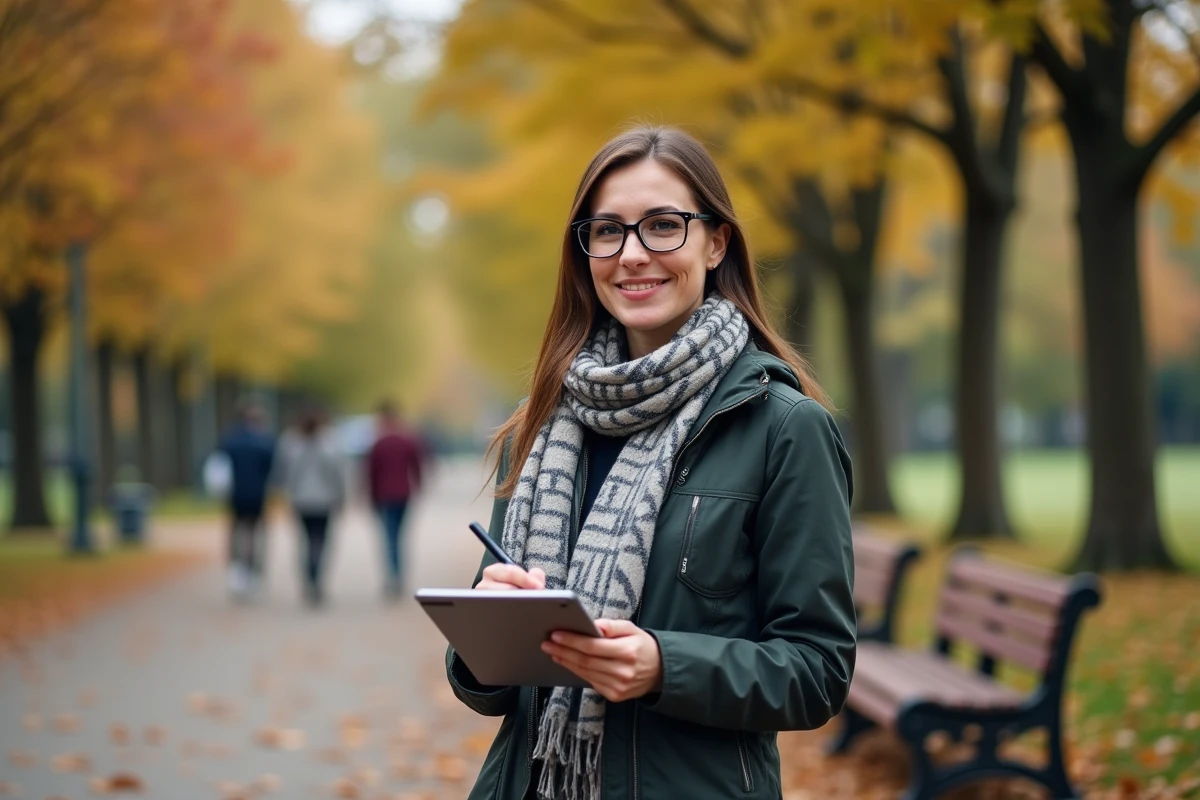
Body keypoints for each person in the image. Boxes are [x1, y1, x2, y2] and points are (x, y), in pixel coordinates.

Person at [445, 127, 856, 800]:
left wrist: (666, 666)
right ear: (585, 252)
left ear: (715, 242)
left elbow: (817, 670)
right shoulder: (541, 427)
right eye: (607, 231)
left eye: (663, 225)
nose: (633, 254)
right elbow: (487, 692)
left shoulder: (784, 429)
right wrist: (483, 637)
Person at [275, 408, 345, 607]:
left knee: (305, 541)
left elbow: (284, 472)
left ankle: (310, 578)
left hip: (301, 500)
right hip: (324, 501)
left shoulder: (291, 442)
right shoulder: (329, 442)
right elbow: (337, 471)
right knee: (320, 541)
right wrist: (341, 496)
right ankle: (316, 576)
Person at [365, 401, 426, 598]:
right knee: (399, 535)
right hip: (404, 493)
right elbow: (417, 466)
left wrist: (371, 497)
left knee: (389, 536)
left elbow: (371, 473)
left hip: (384, 495)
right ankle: (398, 574)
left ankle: (393, 575)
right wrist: (418, 486)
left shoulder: (378, 443)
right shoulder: (407, 440)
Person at [217, 401, 276, 602]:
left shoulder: (229, 440)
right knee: (254, 532)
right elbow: (271, 470)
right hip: (257, 495)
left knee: (235, 530)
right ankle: (253, 570)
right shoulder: (264, 441)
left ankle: (236, 569)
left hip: (234, 494)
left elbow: (219, 466)